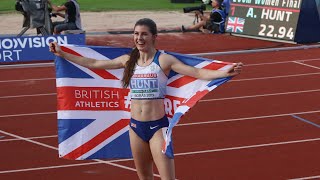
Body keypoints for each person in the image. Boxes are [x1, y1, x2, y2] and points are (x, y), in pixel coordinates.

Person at [49, 18, 243, 179]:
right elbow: (94, 63)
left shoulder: (164, 60)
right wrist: (63, 53)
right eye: (136, 34)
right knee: (144, 178)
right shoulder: (128, 60)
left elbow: (196, 73)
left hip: (157, 128)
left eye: (144, 34)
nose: (139, 38)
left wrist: (225, 73)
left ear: (154, 37)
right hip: (135, 128)